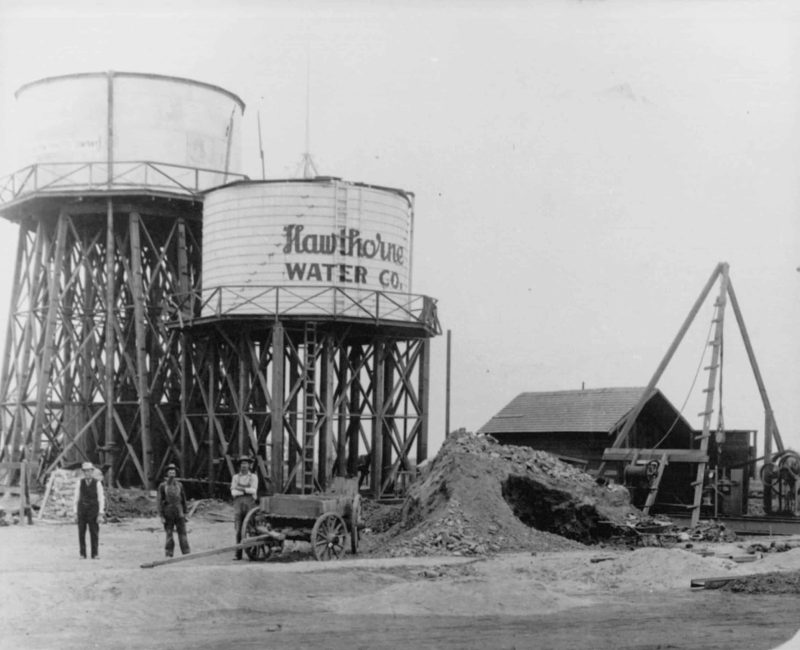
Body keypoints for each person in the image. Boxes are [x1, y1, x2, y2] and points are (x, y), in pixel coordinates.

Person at [72, 461, 105, 559]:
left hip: (93, 511)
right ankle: (82, 554)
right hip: (82, 510)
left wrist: (100, 513)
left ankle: (95, 554)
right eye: (85, 471)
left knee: (94, 532)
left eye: (89, 471)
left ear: (92, 471)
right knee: (81, 532)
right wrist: (75, 512)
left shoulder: (97, 483)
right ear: (83, 472)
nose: (87, 473)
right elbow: (76, 498)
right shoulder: (79, 483)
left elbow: (101, 499)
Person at [157, 463, 191, 557]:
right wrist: (161, 516)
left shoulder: (180, 485)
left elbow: (183, 499)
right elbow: (159, 501)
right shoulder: (162, 486)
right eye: (170, 471)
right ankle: (169, 553)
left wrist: (186, 513)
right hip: (168, 512)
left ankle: (186, 552)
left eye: (173, 471)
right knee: (169, 534)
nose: (172, 473)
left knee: (183, 533)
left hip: (179, 512)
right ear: (167, 474)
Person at [230, 456, 258, 560]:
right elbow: (233, 492)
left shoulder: (253, 477)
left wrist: (240, 489)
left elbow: (254, 490)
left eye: (246, 463)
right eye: (242, 464)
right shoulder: (235, 477)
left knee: (251, 529)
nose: (244, 466)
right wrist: (246, 490)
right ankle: (238, 554)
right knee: (238, 530)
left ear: (249, 465)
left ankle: (254, 552)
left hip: (249, 505)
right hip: (238, 505)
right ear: (239, 466)